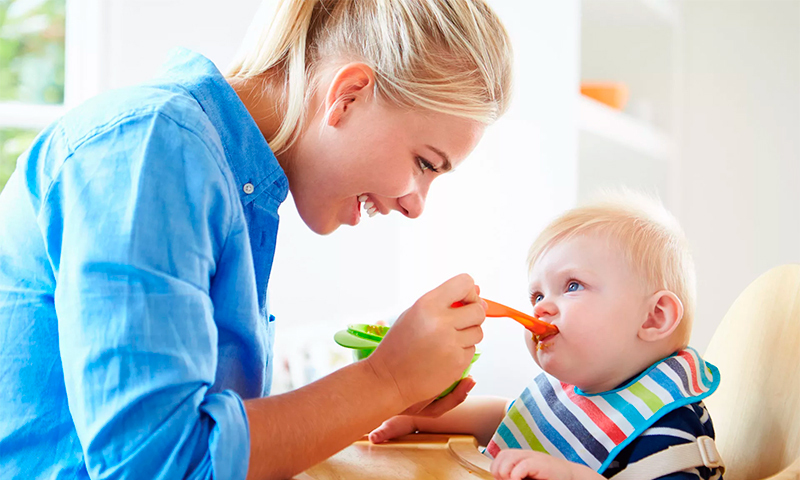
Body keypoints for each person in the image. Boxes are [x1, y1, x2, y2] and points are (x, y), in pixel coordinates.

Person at [0, 0, 512, 479]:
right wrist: (384, 380)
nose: (415, 204)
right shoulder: (150, 147)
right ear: (347, 95)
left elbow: (209, 433)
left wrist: (377, 398)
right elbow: (161, 465)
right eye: (425, 163)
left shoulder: (221, 175)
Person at [369, 191, 724, 480]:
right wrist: (419, 418)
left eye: (572, 286)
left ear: (654, 317)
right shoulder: (578, 386)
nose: (541, 308)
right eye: (537, 295)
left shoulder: (667, 424)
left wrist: (571, 477)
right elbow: (510, 416)